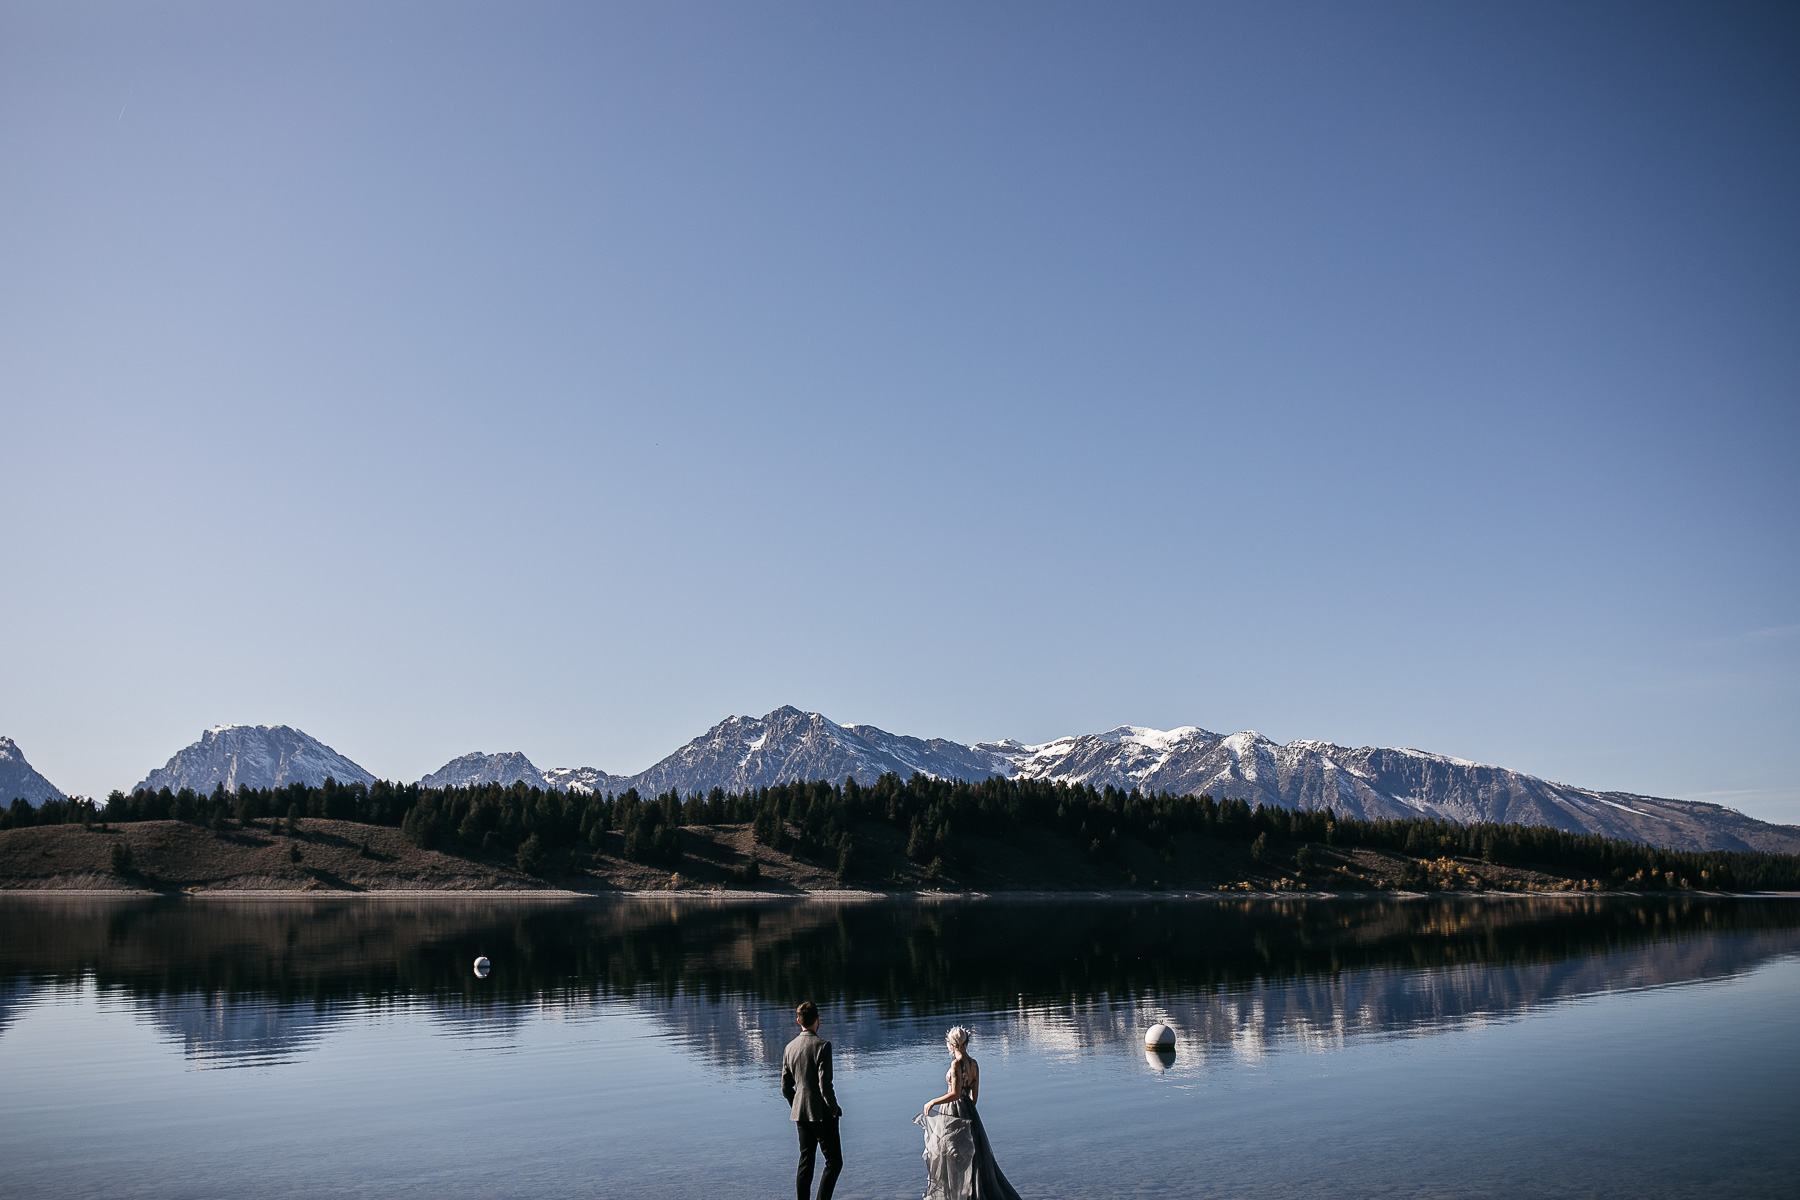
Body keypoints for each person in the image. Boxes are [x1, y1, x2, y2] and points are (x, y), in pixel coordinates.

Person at [916, 1025, 1023, 1200]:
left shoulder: (956, 1063)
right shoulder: (974, 1064)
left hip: (953, 1112)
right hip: (969, 1111)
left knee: (953, 1156)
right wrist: (967, 1110)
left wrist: (934, 1101)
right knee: (974, 1157)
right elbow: (974, 1097)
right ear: (967, 1042)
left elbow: (955, 1094)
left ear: (951, 1045)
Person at [782, 1000, 843, 1200]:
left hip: (800, 1113)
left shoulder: (789, 1048)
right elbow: (824, 1086)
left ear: (798, 1021)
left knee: (806, 1161)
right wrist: (834, 1109)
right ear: (818, 1020)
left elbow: (785, 1087)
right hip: (822, 1113)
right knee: (834, 1162)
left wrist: (796, 1105)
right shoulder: (823, 1046)